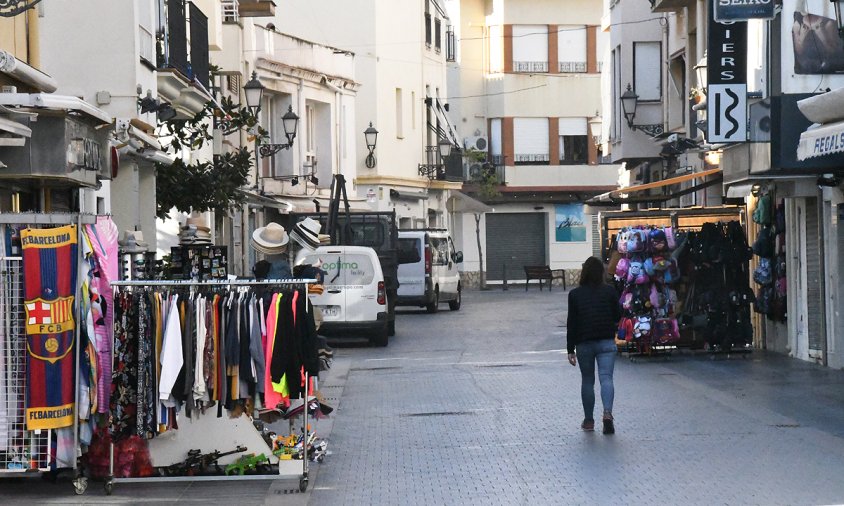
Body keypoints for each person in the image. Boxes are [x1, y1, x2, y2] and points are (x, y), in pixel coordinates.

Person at [566, 256, 622, 434]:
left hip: (584, 343)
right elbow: (617, 315)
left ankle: (589, 420)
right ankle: (607, 413)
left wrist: (570, 349)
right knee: (606, 378)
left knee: (588, 381)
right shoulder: (610, 291)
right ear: (601, 273)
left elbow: (572, 323)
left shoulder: (575, 295)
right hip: (606, 341)